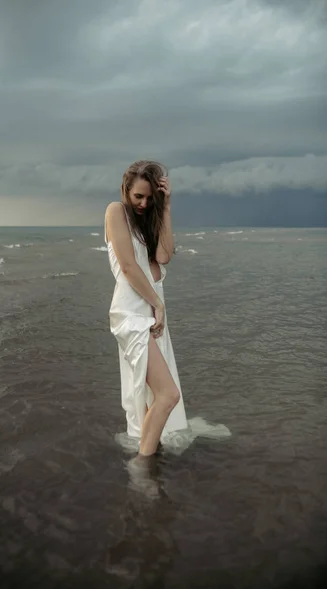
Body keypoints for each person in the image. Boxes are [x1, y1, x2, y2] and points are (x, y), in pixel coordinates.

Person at [104, 159, 190, 459]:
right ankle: (142, 469)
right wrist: (158, 304)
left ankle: (149, 454)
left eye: (149, 197)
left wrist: (165, 207)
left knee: (150, 394)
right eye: (137, 196)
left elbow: (164, 256)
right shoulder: (116, 211)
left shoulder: (147, 223)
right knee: (168, 395)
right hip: (132, 314)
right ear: (125, 190)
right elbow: (128, 266)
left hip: (151, 315)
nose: (142, 203)